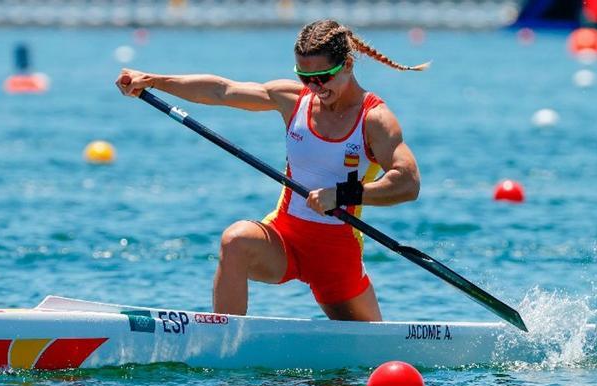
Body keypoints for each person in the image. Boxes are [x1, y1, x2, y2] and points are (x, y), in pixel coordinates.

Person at [116, 19, 426, 322]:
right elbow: (222, 91)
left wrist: (341, 194)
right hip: (285, 237)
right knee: (235, 240)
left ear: (347, 65)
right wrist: (154, 80)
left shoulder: (375, 119)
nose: (314, 87)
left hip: (336, 254)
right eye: (305, 78)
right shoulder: (293, 100)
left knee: (367, 359)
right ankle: (223, 343)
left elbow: (407, 183)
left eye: (323, 78)